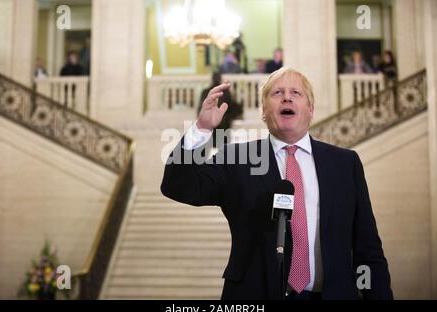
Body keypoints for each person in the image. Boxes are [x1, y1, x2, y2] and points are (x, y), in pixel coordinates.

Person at [161, 67, 393, 300]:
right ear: (264, 111)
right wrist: (201, 129)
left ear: (310, 110)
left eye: (296, 93)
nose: (287, 97)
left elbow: (368, 248)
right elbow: (177, 186)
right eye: (277, 93)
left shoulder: (344, 163)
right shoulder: (237, 159)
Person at [197, 71, 243, 148]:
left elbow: (200, 109)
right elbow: (232, 107)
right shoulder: (225, 92)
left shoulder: (205, 92)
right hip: (223, 125)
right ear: (220, 80)